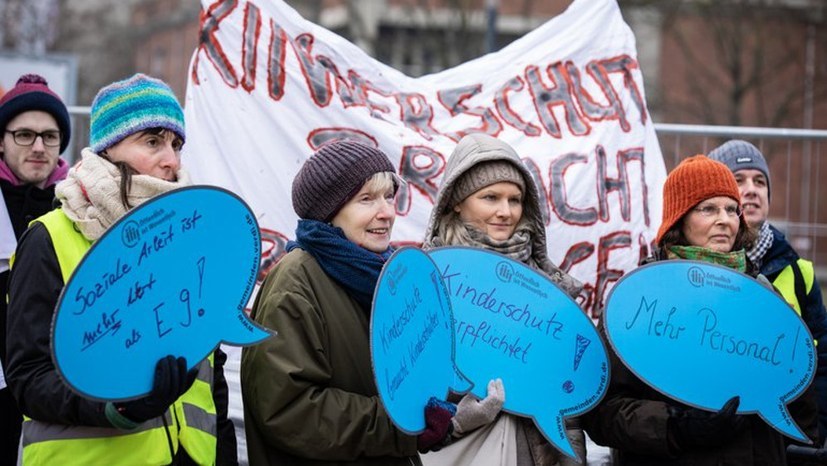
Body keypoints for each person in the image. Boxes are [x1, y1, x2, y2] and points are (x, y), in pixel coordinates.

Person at [5, 73, 237, 465]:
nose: (171, 160)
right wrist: (118, 406)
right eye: (152, 141)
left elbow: (212, 377)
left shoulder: (190, 242)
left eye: (176, 143)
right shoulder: (50, 238)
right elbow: (28, 377)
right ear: (108, 149)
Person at [241, 139, 495, 465]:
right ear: (329, 212)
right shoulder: (296, 283)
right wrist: (404, 425)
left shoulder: (387, 278)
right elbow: (288, 410)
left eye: (389, 196)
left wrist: (450, 408)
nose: (387, 212)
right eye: (366, 199)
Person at [582, 154, 792, 464]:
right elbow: (601, 409)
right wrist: (676, 427)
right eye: (708, 208)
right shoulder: (639, 299)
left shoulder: (764, 295)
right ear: (679, 220)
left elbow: (798, 391)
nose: (725, 219)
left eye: (731, 209)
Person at [421, 133, 586, 466]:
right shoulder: (427, 281)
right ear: (456, 201)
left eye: (515, 199)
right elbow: (408, 386)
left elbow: (565, 406)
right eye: (490, 197)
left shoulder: (547, 289)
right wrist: (456, 417)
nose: (505, 212)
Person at [709, 140, 827, 446]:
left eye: (759, 181)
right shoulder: (696, 272)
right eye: (738, 180)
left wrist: (814, 433)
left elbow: (822, 357)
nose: (752, 189)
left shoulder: (800, 272)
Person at [0, 73, 71, 466]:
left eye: (50, 135)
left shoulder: (80, 209)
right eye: (24, 134)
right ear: (2, 139)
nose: (39, 146)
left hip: (55, 389)